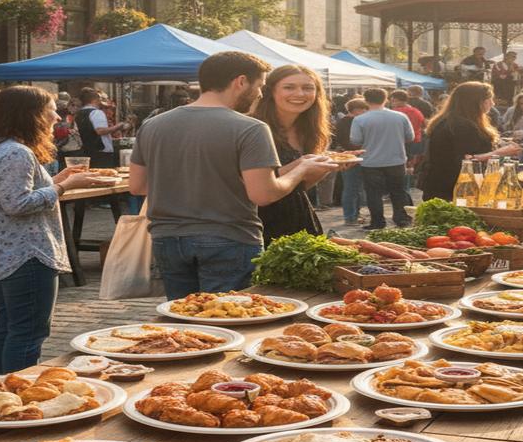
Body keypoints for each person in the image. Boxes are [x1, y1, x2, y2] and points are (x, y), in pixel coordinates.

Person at [129, 51, 333, 299]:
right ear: (241, 82)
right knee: (229, 320)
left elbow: (137, 186)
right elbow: (264, 194)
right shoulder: (251, 128)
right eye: (259, 86)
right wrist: (301, 169)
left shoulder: (153, 124)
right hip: (229, 237)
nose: (259, 94)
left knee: (184, 318)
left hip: (168, 239)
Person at [0, 86, 102, 374]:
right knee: (28, 333)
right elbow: (17, 203)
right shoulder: (17, 152)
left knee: (9, 326)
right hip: (26, 254)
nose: (56, 115)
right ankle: (17, 397)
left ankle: (0, 388)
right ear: (31, 115)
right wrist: (63, 187)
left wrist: (55, 179)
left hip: (6, 253)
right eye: (50, 109)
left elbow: (12, 193)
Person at [249, 65, 340, 245]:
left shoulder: (310, 131)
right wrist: (301, 165)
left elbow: (298, 186)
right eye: (289, 87)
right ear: (271, 91)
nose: (300, 94)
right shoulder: (253, 128)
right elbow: (251, 189)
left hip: (298, 220)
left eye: (308, 88)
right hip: (258, 225)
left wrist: (326, 168)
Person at [420, 82, 521, 201]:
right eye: (489, 99)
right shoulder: (461, 125)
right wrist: (502, 152)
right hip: (454, 188)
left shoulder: (452, 120)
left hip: (443, 185)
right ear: (476, 102)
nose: (492, 103)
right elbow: (466, 159)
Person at [350, 88, 414, 230]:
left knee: (373, 193)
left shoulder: (360, 119)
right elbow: (410, 137)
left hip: (370, 161)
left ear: (365, 100)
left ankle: (377, 222)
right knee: (398, 191)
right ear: (386, 99)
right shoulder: (400, 116)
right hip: (396, 160)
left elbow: (355, 140)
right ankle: (401, 219)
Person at [76, 87, 128, 168]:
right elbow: (100, 131)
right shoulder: (96, 112)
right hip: (101, 152)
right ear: (95, 100)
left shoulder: (79, 114)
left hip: (87, 150)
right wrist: (118, 126)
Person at [335, 98, 368, 225]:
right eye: (364, 109)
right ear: (358, 110)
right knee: (351, 188)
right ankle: (350, 217)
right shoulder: (350, 121)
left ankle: (355, 215)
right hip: (351, 158)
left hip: (350, 157)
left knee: (356, 188)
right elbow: (348, 142)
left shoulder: (342, 121)